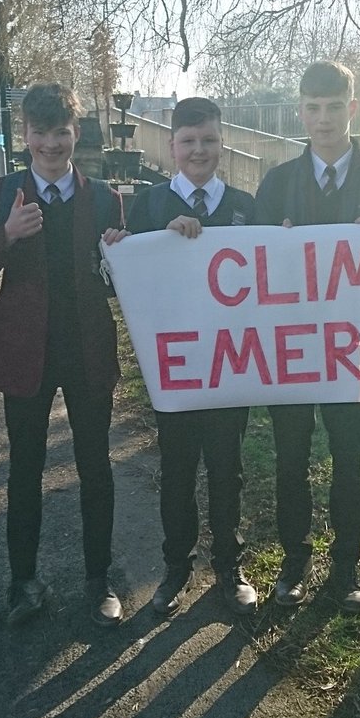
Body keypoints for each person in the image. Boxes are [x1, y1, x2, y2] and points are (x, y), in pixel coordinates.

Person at [0, 83, 128, 628]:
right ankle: (23, 581)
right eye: (40, 132)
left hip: (87, 349)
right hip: (25, 353)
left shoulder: (103, 196)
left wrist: (123, 261)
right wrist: (5, 236)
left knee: (95, 466)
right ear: (24, 133)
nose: (50, 144)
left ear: (76, 132)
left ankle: (99, 581)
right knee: (24, 470)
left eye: (61, 132)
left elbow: (123, 283)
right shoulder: (0, 192)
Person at [253, 60, 360, 613]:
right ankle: (294, 565)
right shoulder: (274, 183)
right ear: (300, 111)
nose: (323, 120)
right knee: (290, 458)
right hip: (292, 347)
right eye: (313, 108)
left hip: (359, 345)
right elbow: (253, 269)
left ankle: (346, 570)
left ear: (353, 108)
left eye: (334, 107)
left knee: (350, 459)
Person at [125, 97, 258, 618]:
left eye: (208, 140)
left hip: (233, 364)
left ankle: (230, 566)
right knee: (177, 470)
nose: (198, 150)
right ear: (172, 146)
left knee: (229, 469)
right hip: (175, 366)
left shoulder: (247, 206)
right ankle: (176, 566)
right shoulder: (148, 204)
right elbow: (129, 278)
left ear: (221, 143)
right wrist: (145, 242)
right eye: (188, 141)